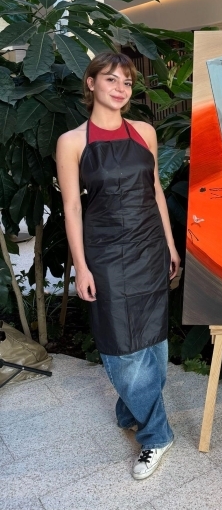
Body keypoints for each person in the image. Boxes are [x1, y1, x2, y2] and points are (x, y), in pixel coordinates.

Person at [57, 52, 181, 480]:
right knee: (120, 345)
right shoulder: (72, 141)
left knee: (153, 341)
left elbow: (156, 190)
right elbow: (72, 208)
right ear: (91, 83)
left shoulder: (144, 131)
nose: (120, 88)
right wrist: (81, 266)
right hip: (105, 253)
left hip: (149, 247)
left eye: (127, 82)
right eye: (111, 79)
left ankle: (131, 410)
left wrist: (170, 245)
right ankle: (157, 435)